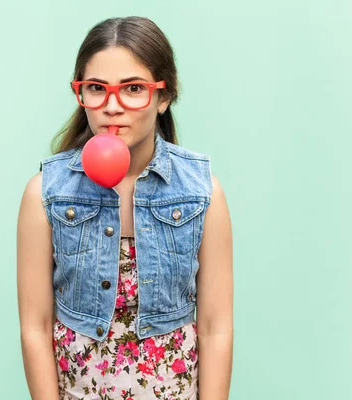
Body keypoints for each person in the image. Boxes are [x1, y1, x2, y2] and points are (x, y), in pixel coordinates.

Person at [17, 16, 233, 400]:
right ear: (80, 94)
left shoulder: (203, 194)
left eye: (133, 88)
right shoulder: (45, 193)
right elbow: (36, 325)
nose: (112, 107)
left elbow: (215, 327)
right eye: (96, 88)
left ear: (164, 96)